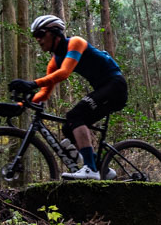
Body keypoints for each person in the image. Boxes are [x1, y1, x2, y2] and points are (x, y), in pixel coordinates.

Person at [9, 15, 127, 180]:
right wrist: (21, 105)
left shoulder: (75, 43)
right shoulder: (54, 62)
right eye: (35, 36)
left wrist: (31, 83)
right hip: (103, 89)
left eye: (41, 34)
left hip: (115, 85)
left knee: (75, 115)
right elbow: (44, 93)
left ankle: (91, 169)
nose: (38, 39)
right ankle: (102, 168)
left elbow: (64, 73)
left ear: (55, 32)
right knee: (68, 126)